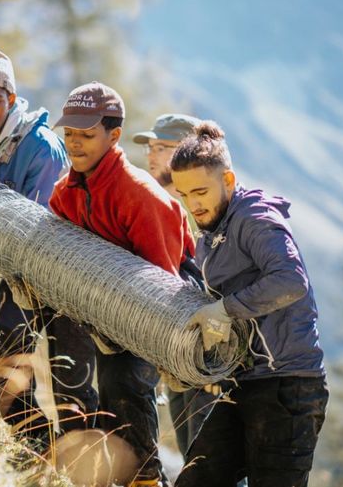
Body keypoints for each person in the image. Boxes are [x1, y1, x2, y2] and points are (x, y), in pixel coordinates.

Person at [0, 41, 96, 442]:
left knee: (70, 379)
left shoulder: (39, 147)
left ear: (11, 98)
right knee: (3, 350)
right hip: (17, 275)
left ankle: (90, 465)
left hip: (67, 272)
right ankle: (36, 447)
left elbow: (37, 227)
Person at [49, 82, 196, 487]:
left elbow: (164, 280)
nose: (75, 145)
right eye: (70, 135)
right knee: (79, 383)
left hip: (160, 306)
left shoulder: (140, 195)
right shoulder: (68, 191)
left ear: (114, 136)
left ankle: (146, 479)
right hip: (99, 308)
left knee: (124, 387)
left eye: (86, 135)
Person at [171, 121, 327, 487]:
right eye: (183, 194)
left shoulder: (255, 218)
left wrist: (226, 310)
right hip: (244, 384)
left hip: (289, 389)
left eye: (200, 191)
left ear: (227, 181)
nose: (192, 204)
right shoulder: (212, 232)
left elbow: (291, 281)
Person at [133, 114, 214, 457]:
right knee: (192, 459)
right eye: (150, 147)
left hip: (207, 356)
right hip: (172, 352)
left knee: (213, 464)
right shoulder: (153, 204)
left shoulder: (203, 209)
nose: (151, 155)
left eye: (162, 147)